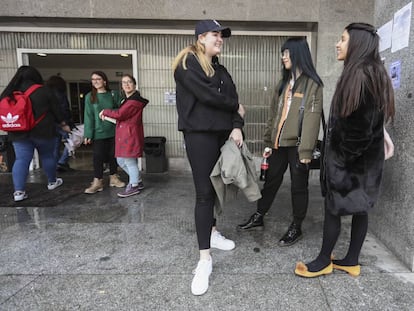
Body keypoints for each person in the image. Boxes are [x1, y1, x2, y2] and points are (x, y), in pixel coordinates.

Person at [295, 23, 395, 278]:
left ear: (357, 44)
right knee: (360, 209)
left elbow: (359, 129)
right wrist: (381, 133)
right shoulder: (372, 72)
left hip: (351, 164)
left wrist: (338, 162)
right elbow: (371, 117)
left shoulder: (360, 75)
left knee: (332, 208)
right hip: (365, 163)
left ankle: (323, 261)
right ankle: (351, 261)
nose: (337, 44)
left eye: (342, 39)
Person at [172, 19, 245, 296]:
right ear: (201, 37)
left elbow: (234, 98)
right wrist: (235, 106)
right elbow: (209, 96)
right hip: (200, 135)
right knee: (204, 193)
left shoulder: (221, 69)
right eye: (216, 34)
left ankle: (212, 232)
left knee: (217, 189)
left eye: (222, 35)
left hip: (222, 135)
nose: (220, 39)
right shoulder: (187, 62)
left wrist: (237, 124)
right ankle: (204, 260)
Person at [238, 37, 324, 247]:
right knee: (271, 182)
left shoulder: (313, 84)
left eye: (287, 53)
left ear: (298, 54)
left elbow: (312, 120)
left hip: (297, 146)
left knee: (298, 187)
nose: (283, 57)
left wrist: (305, 152)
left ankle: (297, 226)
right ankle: (259, 215)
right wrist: (268, 142)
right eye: (283, 53)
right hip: (278, 144)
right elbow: (273, 115)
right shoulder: (283, 83)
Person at [0, 66, 70, 201]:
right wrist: (63, 124)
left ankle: (19, 192)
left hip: (18, 133)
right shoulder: (44, 91)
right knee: (47, 156)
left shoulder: (9, 92)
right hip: (42, 131)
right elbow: (57, 111)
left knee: (21, 160)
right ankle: (52, 182)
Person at [99, 74, 149, 198]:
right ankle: (137, 180)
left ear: (134, 84)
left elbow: (121, 114)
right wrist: (109, 117)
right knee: (121, 160)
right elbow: (123, 118)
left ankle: (134, 186)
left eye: (129, 82)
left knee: (129, 161)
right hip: (127, 134)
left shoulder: (133, 102)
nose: (126, 84)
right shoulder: (127, 100)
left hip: (129, 136)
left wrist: (105, 111)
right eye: (124, 82)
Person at [83, 71, 125, 194]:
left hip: (114, 130)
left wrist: (109, 112)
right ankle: (97, 181)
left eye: (98, 79)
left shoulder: (113, 94)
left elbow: (122, 110)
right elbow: (88, 116)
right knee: (98, 157)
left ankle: (114, 177)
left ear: (104, 81)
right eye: (93, 79)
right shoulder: (89, 96)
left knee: (113, 155)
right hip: (98, 132)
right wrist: (88, 134)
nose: (95, 81)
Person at [46, 75, 75, 172]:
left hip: (51, 124)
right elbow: (64, 109)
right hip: (62, 123)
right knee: (72, 141)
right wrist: (65, 123)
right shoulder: (60, 94)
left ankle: (56, 165)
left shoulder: (47, 94)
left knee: (55, 145)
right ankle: (62, 162)